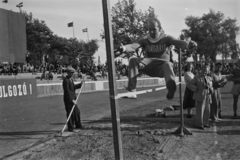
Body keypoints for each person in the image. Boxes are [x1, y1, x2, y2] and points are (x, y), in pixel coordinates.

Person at [116, 18, 197, 99]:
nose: (151, 32)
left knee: (167, 64)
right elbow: (133, 46)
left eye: (154, 29)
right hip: (149, 66)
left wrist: (187, 45)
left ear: (160, 29)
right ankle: (131, 90)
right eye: (149, 30)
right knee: (133, 60)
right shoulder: (145, 40)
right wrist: (123, 48)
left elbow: (178, 42)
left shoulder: (166, 38)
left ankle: (170, 86)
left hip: (162, 67)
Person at [187, 63, 213, 130]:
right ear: (201, 70)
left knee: (207, 110)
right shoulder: (197, 77)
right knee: (200, 110)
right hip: (200, 95)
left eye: (206, 70)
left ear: (208, 71)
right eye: (204, 70)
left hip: (207, 95)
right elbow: (189, 84)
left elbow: (212, 86)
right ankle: (199, 124)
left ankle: (205, 123)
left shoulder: (209, 78)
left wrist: (211, 89)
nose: (205, 72)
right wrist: (196, 89)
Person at [62, 66, 85, 132]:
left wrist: (80, 84)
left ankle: (78, 125)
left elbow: (73, 87)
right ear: (68, 73)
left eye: (73, 73)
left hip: (73, 99)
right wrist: (72, 100)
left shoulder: (71, 80)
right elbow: (67, 91)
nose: (72, 74)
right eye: (71, 73)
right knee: (70, 114)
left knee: (77, 112)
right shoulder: (66, 80)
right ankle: (71, 128)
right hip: (69, 100)